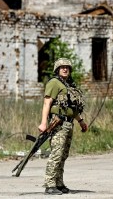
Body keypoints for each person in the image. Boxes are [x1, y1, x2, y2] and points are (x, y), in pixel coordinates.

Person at [38, 58, 88, 195]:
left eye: (67, 67)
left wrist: (81, 121)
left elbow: (72, 108)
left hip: (68, 124)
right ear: (57, 70)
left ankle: (59, 183)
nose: (65, 69)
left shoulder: (69, 85)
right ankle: (49, 184)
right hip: (58, 123)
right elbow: (47, 103)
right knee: (56, 153)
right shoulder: (54, 83)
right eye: (62, 67)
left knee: (63, 155)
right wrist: (43, 123)